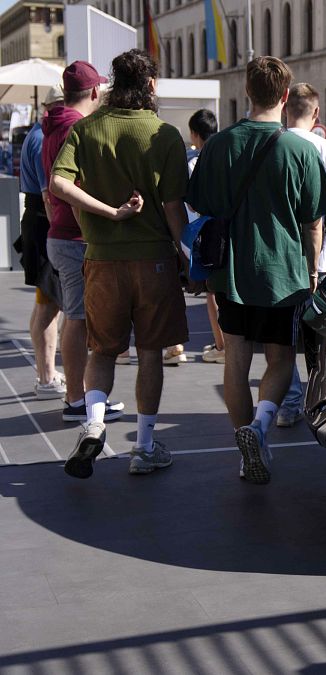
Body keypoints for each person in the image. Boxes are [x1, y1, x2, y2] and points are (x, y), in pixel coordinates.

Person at [187, 57, 326, 484]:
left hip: (230, 271)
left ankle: (244, 446)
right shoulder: (301, 150)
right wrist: (312, 271)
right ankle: (260, 427)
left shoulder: (218, 145)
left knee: (235, 360)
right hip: (283, 274)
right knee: (280, 358)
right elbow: (314, 223)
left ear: (247, 92)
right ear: (285, 97)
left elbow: (199, 203)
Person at [51, 49, 191, 479]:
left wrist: (108, 214)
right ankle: (144, 447)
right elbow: (174, 209)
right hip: (153, 261)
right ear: (150, 85)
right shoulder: (164, 135)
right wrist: (186, 256)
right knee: (150, 353)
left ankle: (94, 424)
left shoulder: (87, 128)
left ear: (113, 83)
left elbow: (58, 183)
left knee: (103, 350)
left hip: (101, 259)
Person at [43, 61, 124, 425]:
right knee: (77, 319)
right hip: (75, 237)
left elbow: (49, 191)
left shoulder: (51, 126)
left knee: (76, 318)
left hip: (60, 235)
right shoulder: (75, 128)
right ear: (94, 92)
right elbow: (69, 188)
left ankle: (79, 396)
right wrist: (107, 215)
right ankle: (77, 399)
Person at [278, 82, 326, 427]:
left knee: (282, 339)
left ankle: (289, 403)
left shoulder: (273, 144)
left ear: (285, 109)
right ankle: (320, 400)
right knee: (320, 337)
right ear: (317, 112)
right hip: (318, 260)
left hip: (280, 257)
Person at [19, 86, 65, 399]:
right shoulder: (41, 139)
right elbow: (49, 194)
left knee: (45, 303)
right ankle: (47, 377)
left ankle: (45, 372)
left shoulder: (38, 135)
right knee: (48, 303)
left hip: (39, 222)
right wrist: (58, 231)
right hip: (43, 224)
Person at [180, 109, 227, 365]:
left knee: (211, 291)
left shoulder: (194, 162)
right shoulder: (226, 155)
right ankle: (225, 342)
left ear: (195, 134)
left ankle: (222, 345)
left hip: (203, 231)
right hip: (227, 229)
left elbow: (191, 202)